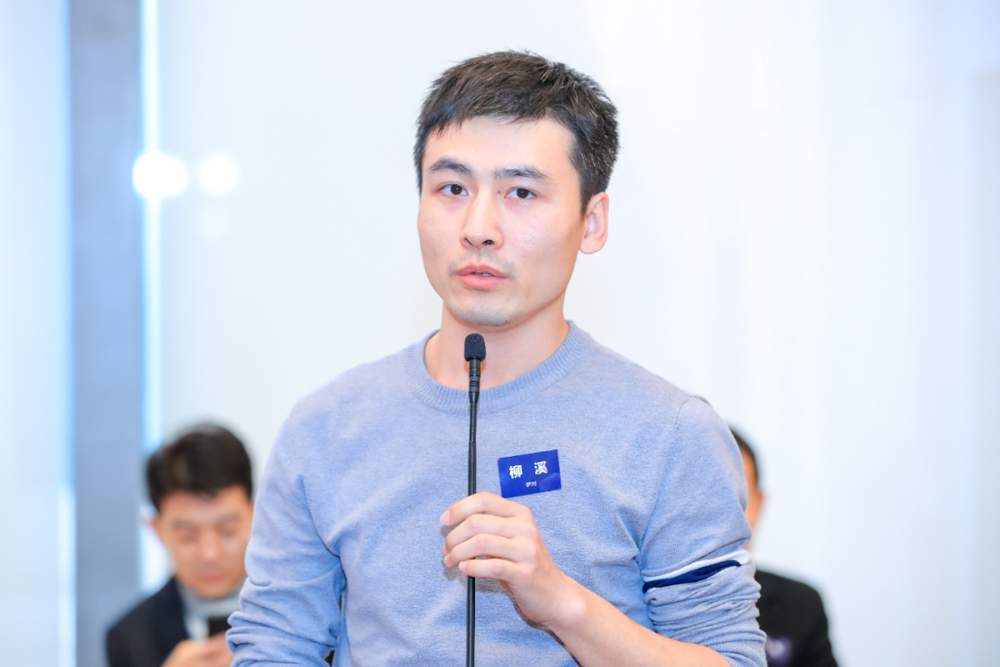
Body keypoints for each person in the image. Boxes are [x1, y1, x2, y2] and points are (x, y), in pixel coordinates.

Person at [229, 51, 765, 667]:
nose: (479, 227)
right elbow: (274, 647)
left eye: (521, 192)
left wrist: (562, 602)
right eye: (453, 188)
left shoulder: (670, 434)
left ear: (592, 222)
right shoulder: (324, 430)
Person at [106, 424, 254, 667]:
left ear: (255, 515)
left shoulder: (309, 613)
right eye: (188, 535)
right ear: (157, 530)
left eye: (227, 530)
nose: (209, 554)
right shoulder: (129, 638)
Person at [731, 427, 839, 667]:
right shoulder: (644, 612)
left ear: (759, 504)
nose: (725, 519)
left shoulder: (800, 606)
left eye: (739, 498)